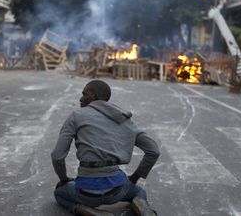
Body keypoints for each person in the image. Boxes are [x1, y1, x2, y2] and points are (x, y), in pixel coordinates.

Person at [51, 80, 160, 216]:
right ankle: (141, 206)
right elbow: (154, 151)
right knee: (139, 192)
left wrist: (64, 179)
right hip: (117, 190)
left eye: (84, 94)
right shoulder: (124, 119)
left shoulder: (76, 116)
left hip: (85, 192)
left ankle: (86, 210)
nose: (81, 98)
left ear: (93, 96)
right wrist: (134, 178)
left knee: (59, 193)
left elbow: (57, 156)